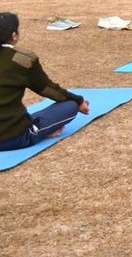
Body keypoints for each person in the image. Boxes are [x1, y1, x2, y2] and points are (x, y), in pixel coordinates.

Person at [0, 12, 89, 152]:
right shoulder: (22, 60)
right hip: (13, 137)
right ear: (14, 35)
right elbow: (48, 89)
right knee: (70, 105)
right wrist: (78, 100)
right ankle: (42, 131)